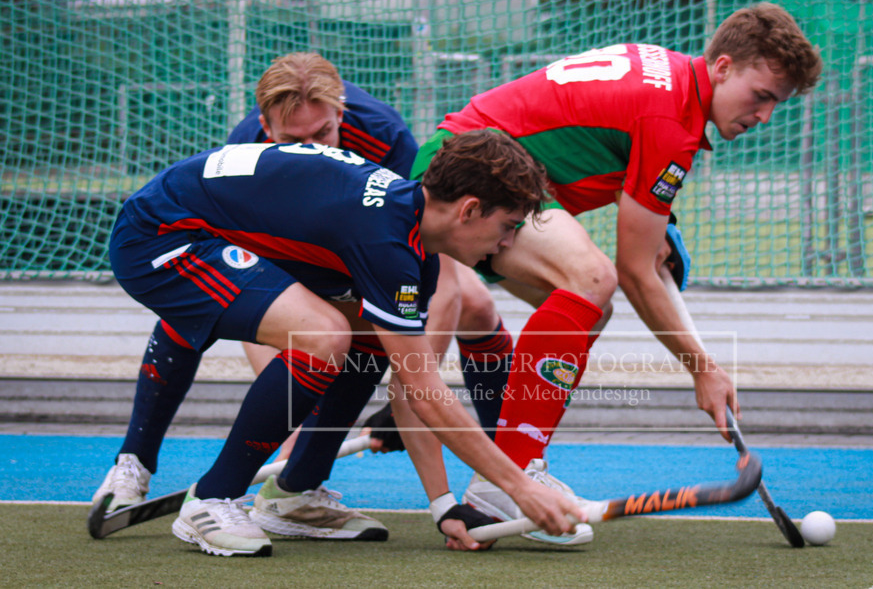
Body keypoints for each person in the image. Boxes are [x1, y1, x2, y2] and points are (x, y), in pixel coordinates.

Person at [410, 2, 823, 540]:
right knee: (595, 279)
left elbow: (645, 253)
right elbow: (633, 269)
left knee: (589, 310)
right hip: (470, 175)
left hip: (487, 168)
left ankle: (516, 472)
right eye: (761, 95)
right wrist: (703, 368)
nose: (764, 115)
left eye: (777, 104)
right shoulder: (670, 119)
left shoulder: (671, 80)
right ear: (722, 67)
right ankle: (502, 487)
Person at [106, 130, 585, 557]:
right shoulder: (386, 244)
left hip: (208, 228)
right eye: (508, 226)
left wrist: (444, 506)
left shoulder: (415, 245)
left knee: (368, 337)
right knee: (324, 335)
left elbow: (410, 386)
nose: (505, 244)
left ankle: (295, 494)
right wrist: (522, 488)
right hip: (161, 236)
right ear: (469, 210)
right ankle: (212, 499)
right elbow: (424, 390)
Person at [91, 54, 509, 534]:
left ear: (342, 115)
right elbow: (257, 296)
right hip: (215, 242)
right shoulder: (250, 144)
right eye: (292, 141)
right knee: (265, 326)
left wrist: (406, 391)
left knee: (380, 326)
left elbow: (428, 272)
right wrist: (286, 404)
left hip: (347, 247)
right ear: (265, 124)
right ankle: (137, 463)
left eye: (323, 134)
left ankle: (297, 493)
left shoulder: (387, 138)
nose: (309, 147)